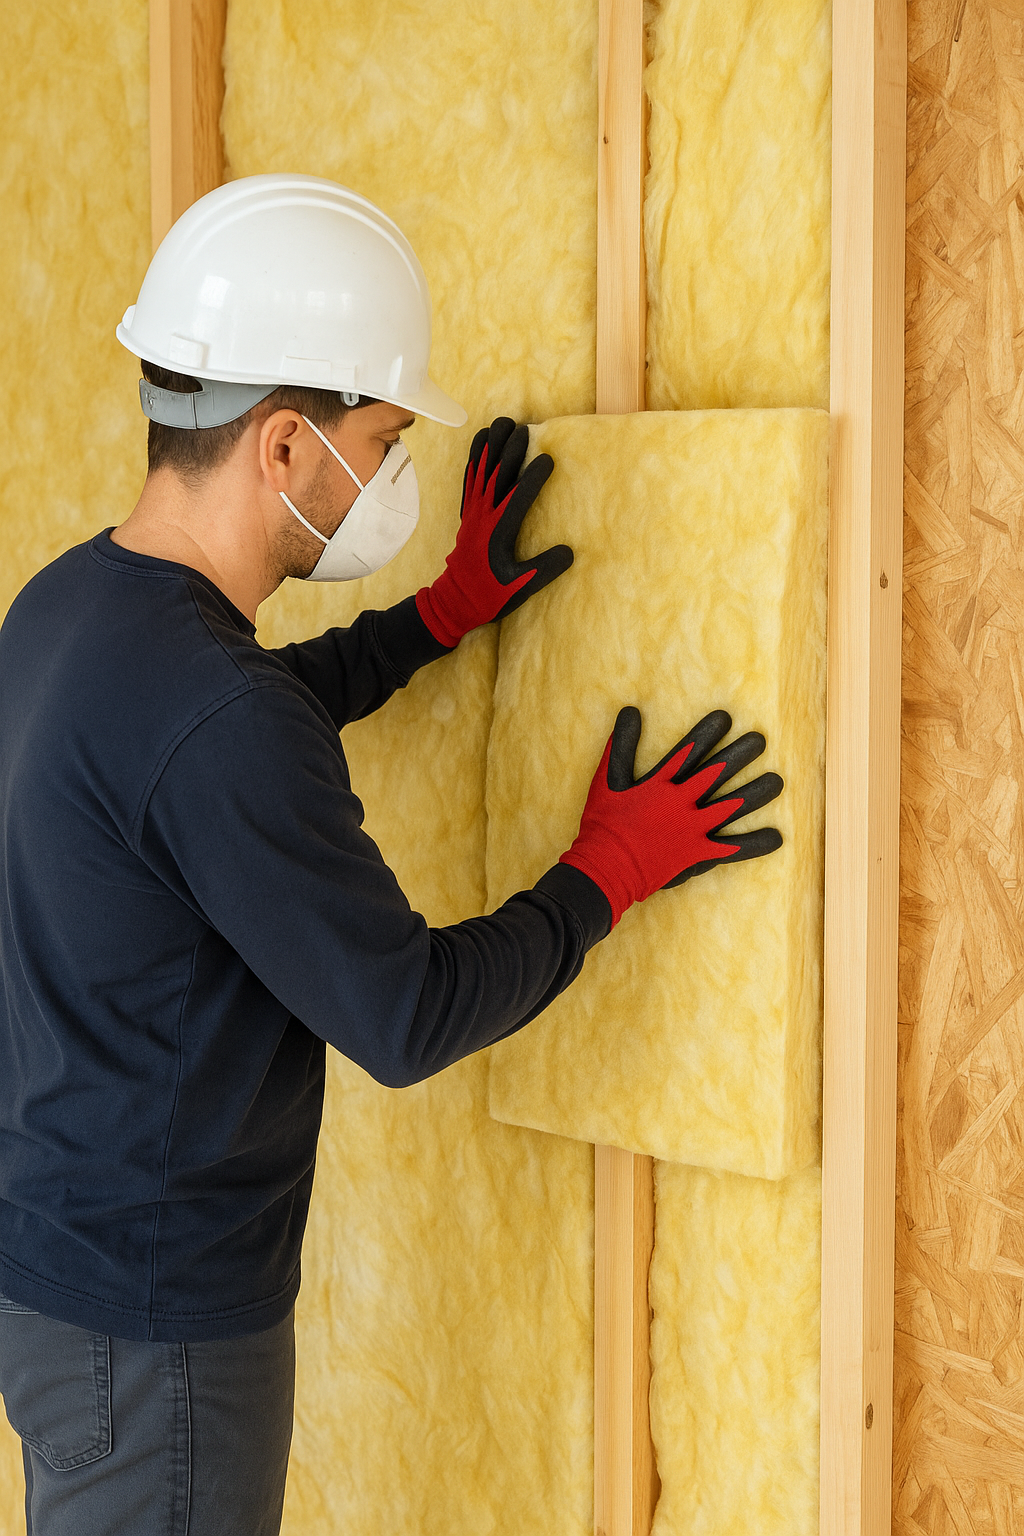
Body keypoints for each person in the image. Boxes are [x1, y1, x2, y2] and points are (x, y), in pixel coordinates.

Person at [0, 174, 783, 1536]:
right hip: (160, 1333)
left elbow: (214, 746)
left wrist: (438, 615)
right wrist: (607, 872)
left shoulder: (71, 608)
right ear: (287, 451)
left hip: (60, 1270)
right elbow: (406, 1014)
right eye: (381, 435)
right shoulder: (218, 711)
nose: (391, 473)